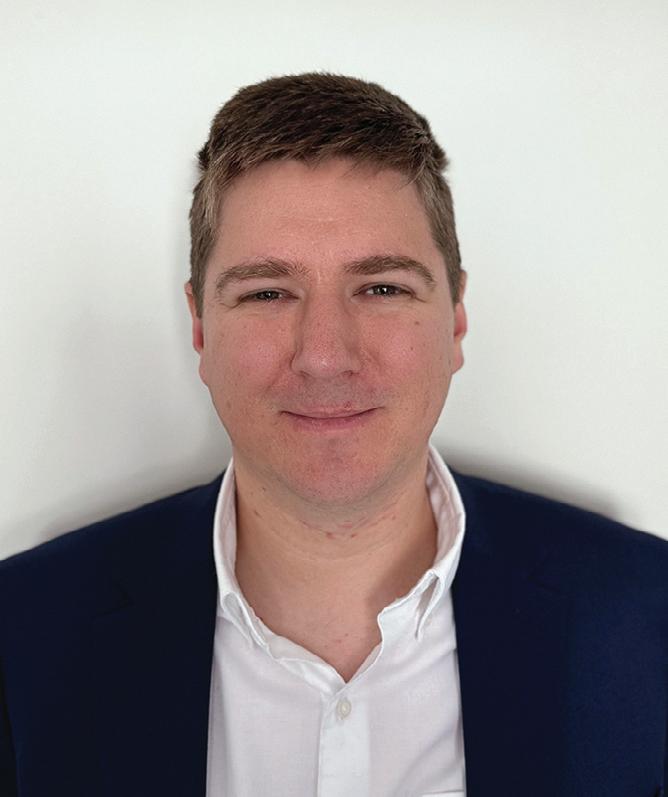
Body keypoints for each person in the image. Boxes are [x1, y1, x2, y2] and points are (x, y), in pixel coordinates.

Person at [0, 73, 666, 797]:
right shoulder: (23, 633)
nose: (324, 355)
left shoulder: (648, 614)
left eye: (381, 288)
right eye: (267, 292)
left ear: (455, 319)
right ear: (200, 327)